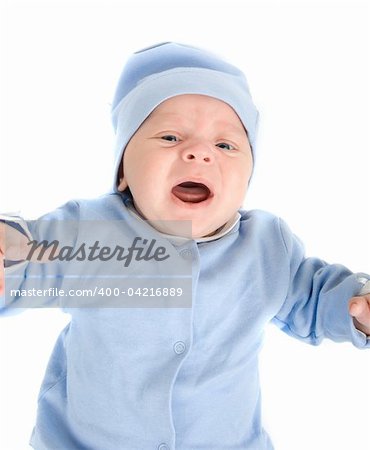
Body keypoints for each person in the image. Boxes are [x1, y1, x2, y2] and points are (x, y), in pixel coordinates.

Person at [0, 42, 369, 450]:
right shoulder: (93, 232)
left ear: (247, 180)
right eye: (170, 136)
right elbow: (31, 258)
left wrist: (356, 307)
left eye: (226, 145)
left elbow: (314, 298)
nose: (198, 153)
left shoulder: (265, 247)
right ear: (123, 171)